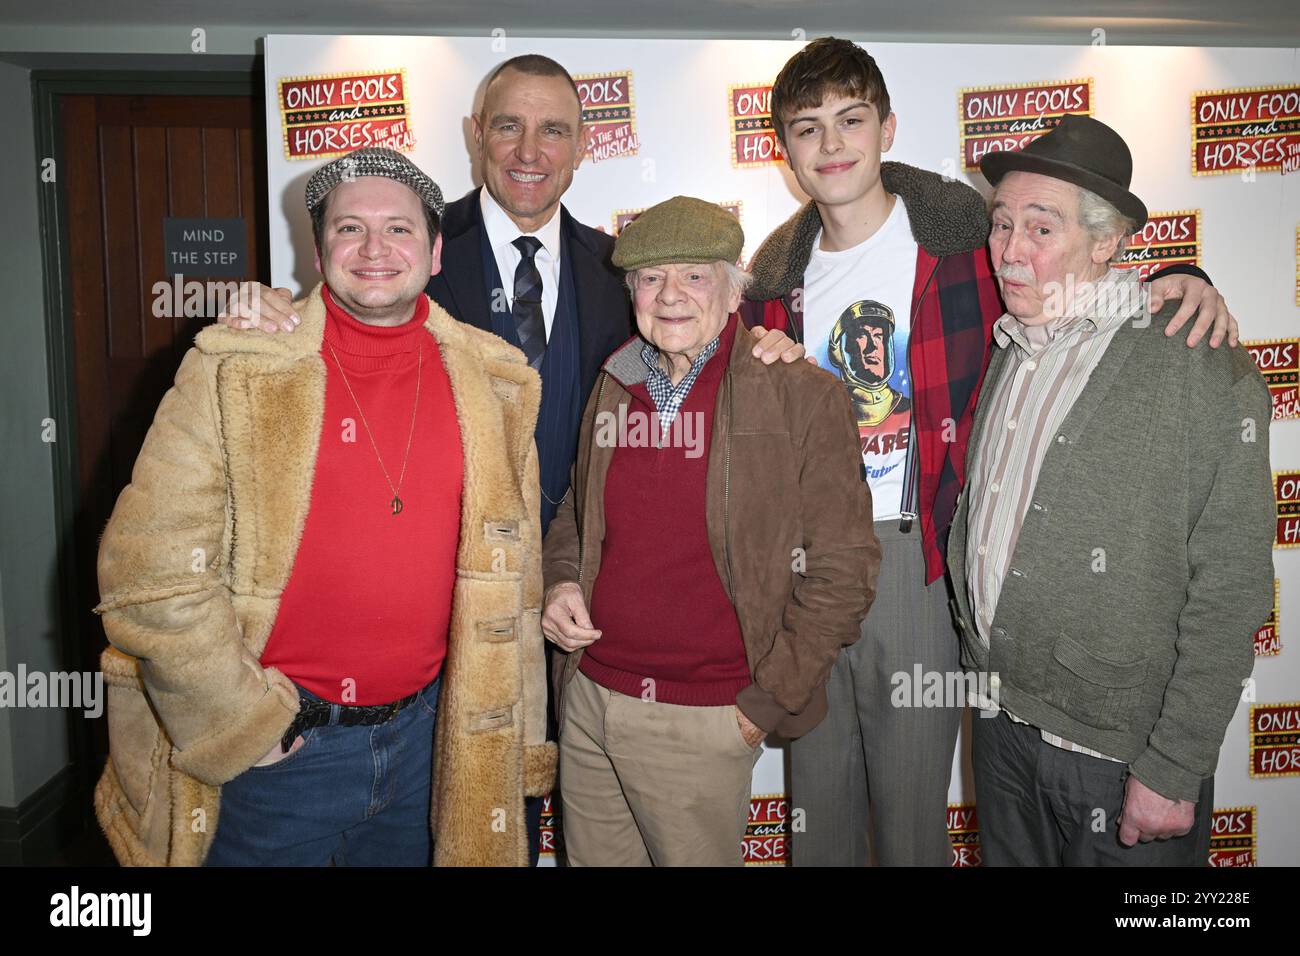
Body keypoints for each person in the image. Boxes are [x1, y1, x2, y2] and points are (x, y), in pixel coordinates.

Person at [220, 55, 804, 862]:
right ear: (474, 136)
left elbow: (704, 336)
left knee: (579, 798)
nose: (529, 150)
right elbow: (344, 313)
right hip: (445, 597)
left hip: (592, 605)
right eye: (508, 126)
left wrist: (765, 342)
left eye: (553, 129)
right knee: (464, 813)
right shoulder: (411, 245)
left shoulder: (622, 269)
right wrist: (268, 306)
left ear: (582, 145)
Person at [739, 36, 1241, 866]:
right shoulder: (773, 282)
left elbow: (1080, 264)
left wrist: (1183, 274)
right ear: (784, 150)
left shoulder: (966, 239)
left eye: (850, 120)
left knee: (911, 823)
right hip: (808, 562)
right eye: (807, 129)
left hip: (921, 558)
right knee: (814, 817)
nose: (831, 146)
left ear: (888, 128)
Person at [94, 147, 551, 866]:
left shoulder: (498, 380)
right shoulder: (238, 364)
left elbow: (517, 586)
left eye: (399, 230)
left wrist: (516, 737)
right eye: (349, 229)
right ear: (317, 250)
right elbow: (148, 574)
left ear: (434, 251)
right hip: (280, 763)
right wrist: (243, 726)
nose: (374, 249)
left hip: (435, 751)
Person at [947, 114, 1274, 866]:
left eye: (1041, 228)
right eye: (1001, 224)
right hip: (1001, 730)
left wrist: (1174, 765)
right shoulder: (1011, 349)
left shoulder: (1196, 361)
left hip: (1122, 757)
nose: (1010, 251)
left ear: (1106, 241)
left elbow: (1230, 584)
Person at [540, 196, 879, 866]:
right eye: (649, 277)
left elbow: (843, 571)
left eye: (694, 276)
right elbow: (577, 514)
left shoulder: (797, 392)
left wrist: (762, 703)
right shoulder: (615, 381)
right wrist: (557, 584)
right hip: (589, 701)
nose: (669, 296)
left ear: (732, 288)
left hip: (705, 718)